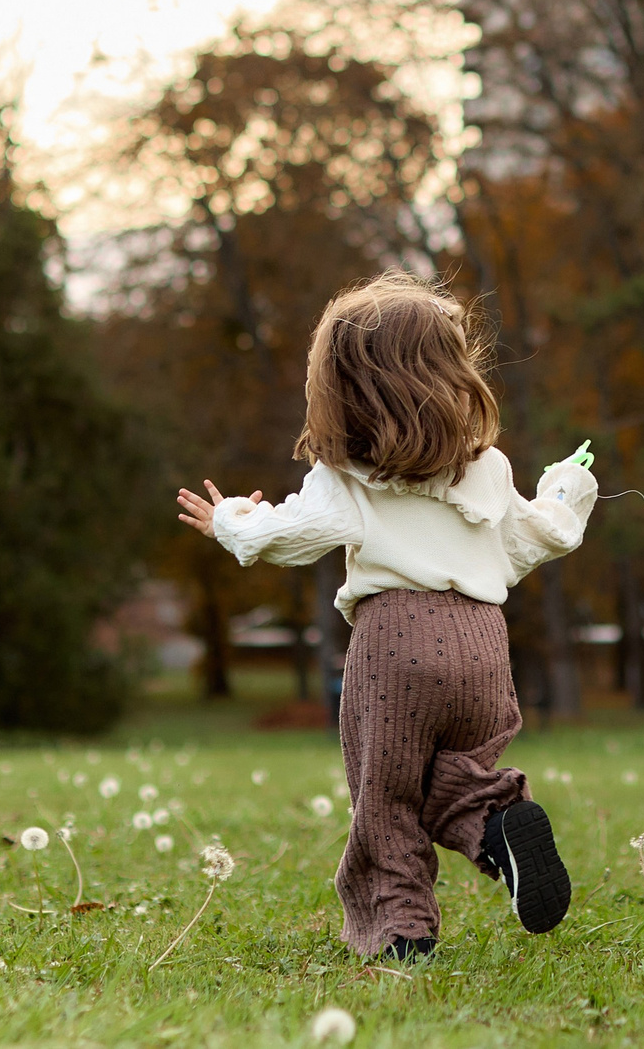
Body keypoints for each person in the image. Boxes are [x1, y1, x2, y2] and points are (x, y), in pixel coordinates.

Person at [174, 273, 599, 958]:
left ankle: (399, 927)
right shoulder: (487, 467)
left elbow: (277, 538)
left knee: (387, 792)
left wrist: (229, 517)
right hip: (484, 645)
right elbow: (537, 538)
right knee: (451, 769)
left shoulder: (347, 473)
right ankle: (499, 822)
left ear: (343, 388)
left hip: (396, 641)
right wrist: (566, 487)